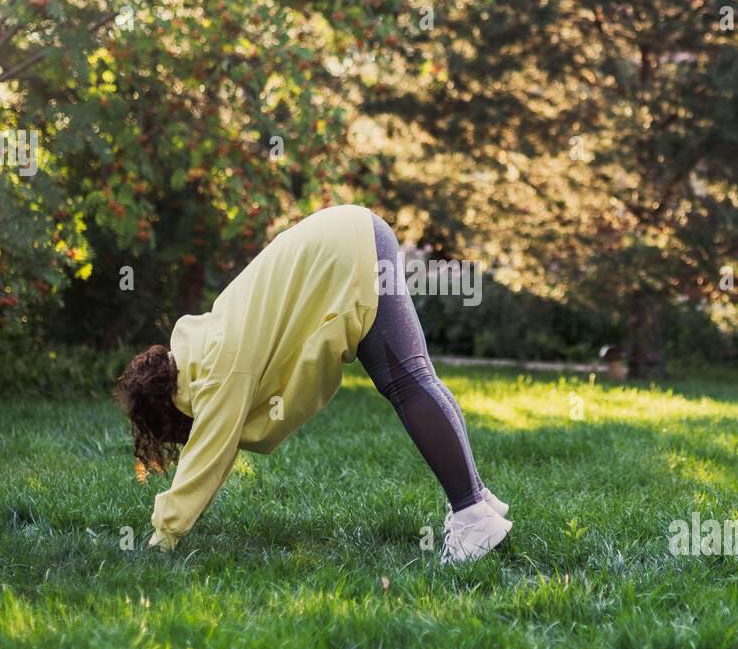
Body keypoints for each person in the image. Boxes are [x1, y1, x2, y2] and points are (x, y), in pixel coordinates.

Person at [115, 204, 511, 563]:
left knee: (407, 383)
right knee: (413, 378)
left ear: (167, 408)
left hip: (347, 255)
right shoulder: (205, 346)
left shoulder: (218, 369)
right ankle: (475, 500)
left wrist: (163, 538)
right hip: (356, 233)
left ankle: (472, 514)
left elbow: (208, 456)